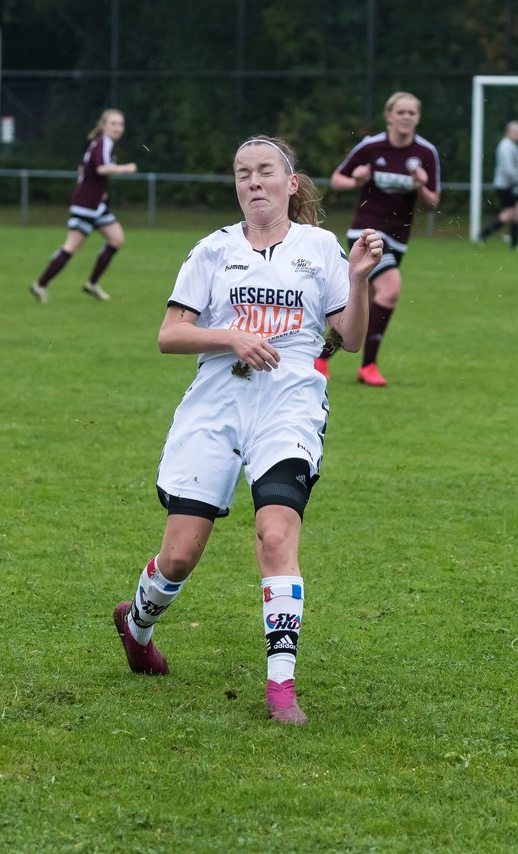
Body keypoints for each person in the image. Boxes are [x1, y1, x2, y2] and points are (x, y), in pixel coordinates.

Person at [111, 135, 384, 726]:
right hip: (217, 405)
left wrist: (359, 278)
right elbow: (169, 335)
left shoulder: (320, 248)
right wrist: (231, 336)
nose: (253, 182)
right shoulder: (212, 250)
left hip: (289, 403)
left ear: (291, 183)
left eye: (265, 172)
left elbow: (353, 337)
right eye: (242, 174)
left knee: (276, 534)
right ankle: (136, 625)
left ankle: (281, 688)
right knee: (180, 556)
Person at [315, 91, 440, 387]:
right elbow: (337, 179)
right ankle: (368, 365)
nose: (406, 117)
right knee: (391, 289)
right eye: (401, 112)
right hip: (366, 231)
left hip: (399, 238)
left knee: (364, 307)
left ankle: (320, 357)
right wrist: (356, 180)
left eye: (412, 112)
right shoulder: (371, 147)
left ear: (418, 118)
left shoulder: (425, 153)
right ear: (389, 116)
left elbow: (432, 203)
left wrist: (422, 187)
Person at [29, 109, 137, 304]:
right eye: (113, 123)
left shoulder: (101, 143)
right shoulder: (103, 142)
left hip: (96, 204)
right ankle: (40, 284)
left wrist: (97, 188)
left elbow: (84, 168)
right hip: (86, 205)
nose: (117, 127)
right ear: (104, 125)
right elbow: (101, 168)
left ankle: (92, 283)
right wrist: (125, 168)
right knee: (71, 246)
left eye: (120, 124)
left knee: (116, 239)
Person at [478, 120, 518, 251]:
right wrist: (515, 182)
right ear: (509, 131)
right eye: (516, 131)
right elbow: (508, 167)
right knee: (510, 212)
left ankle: (514, 245)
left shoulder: (512, 146)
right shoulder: (506, 146)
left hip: (511, 184)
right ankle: (483, 235)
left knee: (517, 211)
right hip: (506, 185)